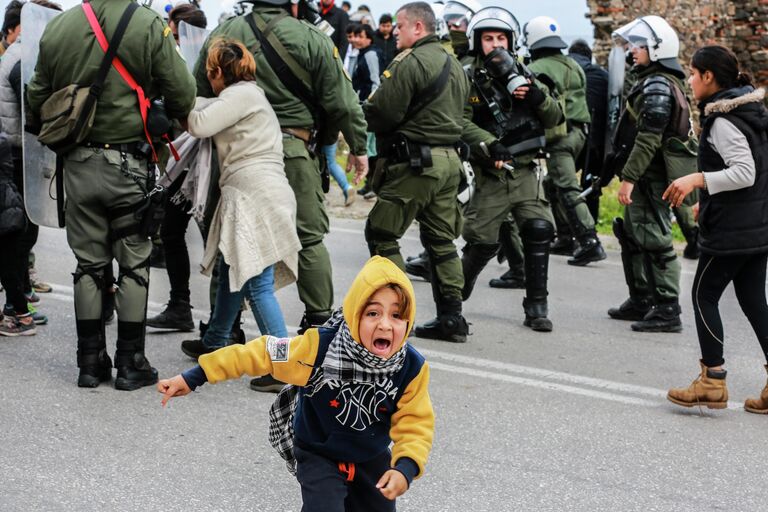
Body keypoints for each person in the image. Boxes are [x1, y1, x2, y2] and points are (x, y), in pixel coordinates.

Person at [158, 256, 435, 511]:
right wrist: (194, 377)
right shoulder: (319, 348)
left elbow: (416, 423)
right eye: (373, 313)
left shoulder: (410, 367)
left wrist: (405, 468)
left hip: (371, 455)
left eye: (396, 315)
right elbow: (260, 353)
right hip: (318, 450)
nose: (386, 325)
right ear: (354, 316)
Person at [192, 0, 369, 391]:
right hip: (293, 152)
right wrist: (357, 147)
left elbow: (198, 88)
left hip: (238, 154)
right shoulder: (311, 36)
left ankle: (227, 335)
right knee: (307, 239)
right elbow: (341, 99)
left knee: (231, 247)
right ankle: (318, 330)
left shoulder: (226, 34)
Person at [26, 0, 196, 389]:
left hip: (78, 166)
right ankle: (130, 362)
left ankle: (89, 364)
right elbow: (184, 94)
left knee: (88, 265)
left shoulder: (60, 26)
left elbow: (36, 97)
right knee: (134, 264)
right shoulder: (149, 25)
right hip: (129, 166)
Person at [180, 39, 301, 359]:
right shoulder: (249, 95)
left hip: (253, 193)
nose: (209, 79)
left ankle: (282, 363)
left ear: (218, 71)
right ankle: (215, 340)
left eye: (209, 73)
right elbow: (205, 104)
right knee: (234, 266)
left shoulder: (240, 94)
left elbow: (198, 122)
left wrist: (175, 103)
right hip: (261, 189)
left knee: (255, 282)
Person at [663, 46, 768, 413]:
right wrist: (708, 193)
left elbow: (744, 172)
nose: (690, 80)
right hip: (755, 225)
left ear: (708, 77)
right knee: (755, 302)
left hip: (731, 232)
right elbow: (751, 172)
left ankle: (712, 380)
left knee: (703, 295)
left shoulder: (722, 119)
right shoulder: (749, 110)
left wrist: (696, 179)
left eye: (693, 73)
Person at [364, 2, 470, 343]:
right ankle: (452, 318)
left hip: (417, 164)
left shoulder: (409, 62)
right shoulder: (454, 64)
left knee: (381, 232)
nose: (396, 32)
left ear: (418, 29)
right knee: (442, 241)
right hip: (450, 163)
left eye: (400, 26)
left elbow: (383, 111)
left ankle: (395, 313)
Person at [459, 7, 562, 332]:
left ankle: (537, 308)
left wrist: (537, 98)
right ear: (477, 41)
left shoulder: (526, 74)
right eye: (487, 38)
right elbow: (457, 121)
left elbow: (556, 118)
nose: (494, 44)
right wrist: (489, 144)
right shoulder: (465, 76)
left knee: (539, 229)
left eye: (500, 38)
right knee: (480, 242)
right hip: (490, 174)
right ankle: (452, 303)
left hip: (526, 170)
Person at [606, 15, 692, 333]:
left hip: (650, 176)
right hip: (645, 175)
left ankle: (668, 308)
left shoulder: (657, 84)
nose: (632, 51)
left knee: (654, 239)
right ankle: (642, 299)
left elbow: (648, 138)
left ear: (657, 47)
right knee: (632, 235)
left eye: (639, 45)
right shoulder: (652, 80)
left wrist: (628, 178)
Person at [523, 16, 606, 266]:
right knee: (553, 184)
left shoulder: (539, 68)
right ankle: (565, 237)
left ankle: (590, 240)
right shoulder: (573, 64)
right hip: (579, 134)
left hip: (560, 136)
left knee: (567, 186)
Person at [147, 1, 208, 332]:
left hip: (186, 156)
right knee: (203, 234)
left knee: (173, 230)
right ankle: (190, 310)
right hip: (198, 155)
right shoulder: (213, 54)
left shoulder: (180, 60)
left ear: (178, 29)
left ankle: (184, 307)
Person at [568, 39, 608, 224]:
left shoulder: (565, 72)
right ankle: (590, 227)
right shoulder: (602, 75)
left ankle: (565, 230)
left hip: (569, 135)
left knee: (563, 182)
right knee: (591, 184)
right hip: (598, 139)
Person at [0, 133, 34, 336]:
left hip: (6, 213)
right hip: (8, 211)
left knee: (8, 271)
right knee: (7, 269)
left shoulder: (2, 142)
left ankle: (24, 317)